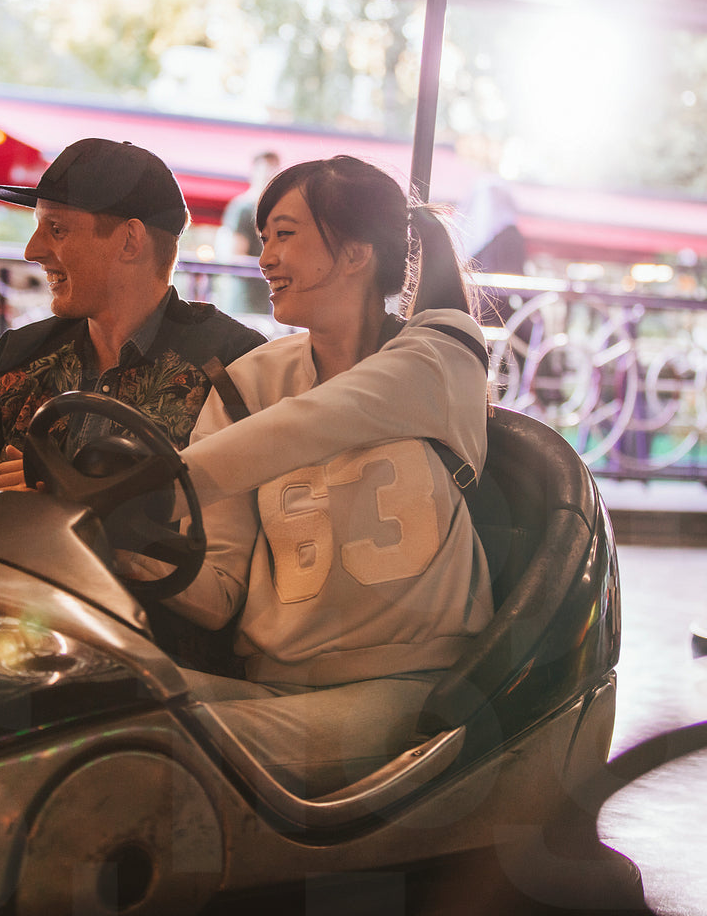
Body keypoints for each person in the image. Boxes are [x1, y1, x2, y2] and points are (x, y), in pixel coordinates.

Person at [144, 155, 493, 797]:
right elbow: (218, 590)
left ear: (355, 252)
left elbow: (312, 422)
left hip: (408, 687)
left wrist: (148, 487)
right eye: (264, 237)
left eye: (284, 234)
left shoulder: (442, 352)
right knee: (94, 704)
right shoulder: (250, 382)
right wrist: (113, 535)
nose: (264, 258)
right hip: (271, 682)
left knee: (152, 750)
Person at [0, 137, 267, 522]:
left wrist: (67, 506)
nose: (32, 250)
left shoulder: (234, 364)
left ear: (130, 241)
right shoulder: (19, 358)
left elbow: (247, 530)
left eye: (56, 229)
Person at [214, 150, 281, 316]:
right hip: (245, 299)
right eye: (265, 169)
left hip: (265, 297)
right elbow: (236, 256)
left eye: (273, 169)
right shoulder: (242, 208)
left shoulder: (273, 209)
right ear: (254, 172)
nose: (269, 173)